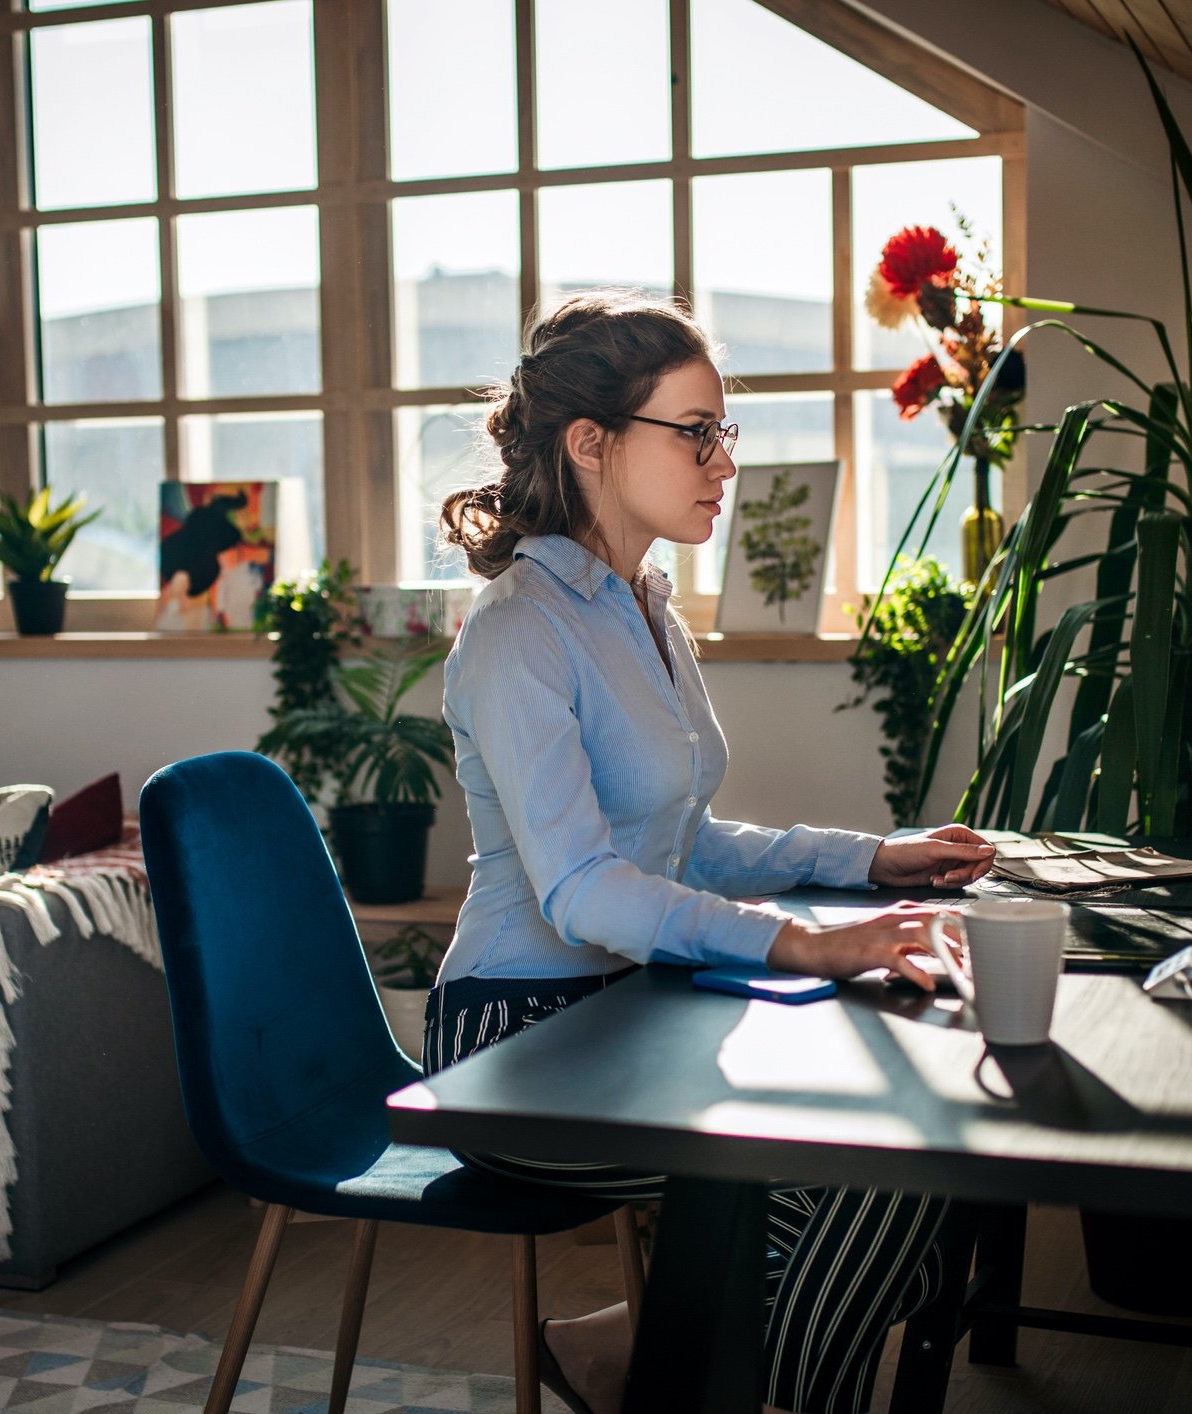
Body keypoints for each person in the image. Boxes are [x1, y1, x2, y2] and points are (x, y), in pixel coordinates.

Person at [429, 290, 996, 1414]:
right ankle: (690, 1369)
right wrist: (800, 944)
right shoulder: (517, 631)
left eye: (722, 431)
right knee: (864, 1183)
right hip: (515, 1034)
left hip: (630, 1004)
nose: (722, 461)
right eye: (695, 431)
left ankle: (649, 1358)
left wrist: (872, 861)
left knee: (914, 1170)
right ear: (590, 443)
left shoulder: (645, 606)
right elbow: (587, 888)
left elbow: (685, 841)